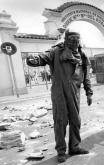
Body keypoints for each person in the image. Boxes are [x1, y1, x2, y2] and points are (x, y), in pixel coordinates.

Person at [26, 29, 93, 163]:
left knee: (75, 121)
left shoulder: (82, 55)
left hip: (75, 93)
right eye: (71, 39)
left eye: (77, 40)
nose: (74, 42)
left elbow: (86, 76)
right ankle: (61, 151)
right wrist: (33, 59)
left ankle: (74, 147)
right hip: (59, 93)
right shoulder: (56, 52)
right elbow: (43, 57)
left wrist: (89, 92)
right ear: (66, 40)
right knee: (60, 122)